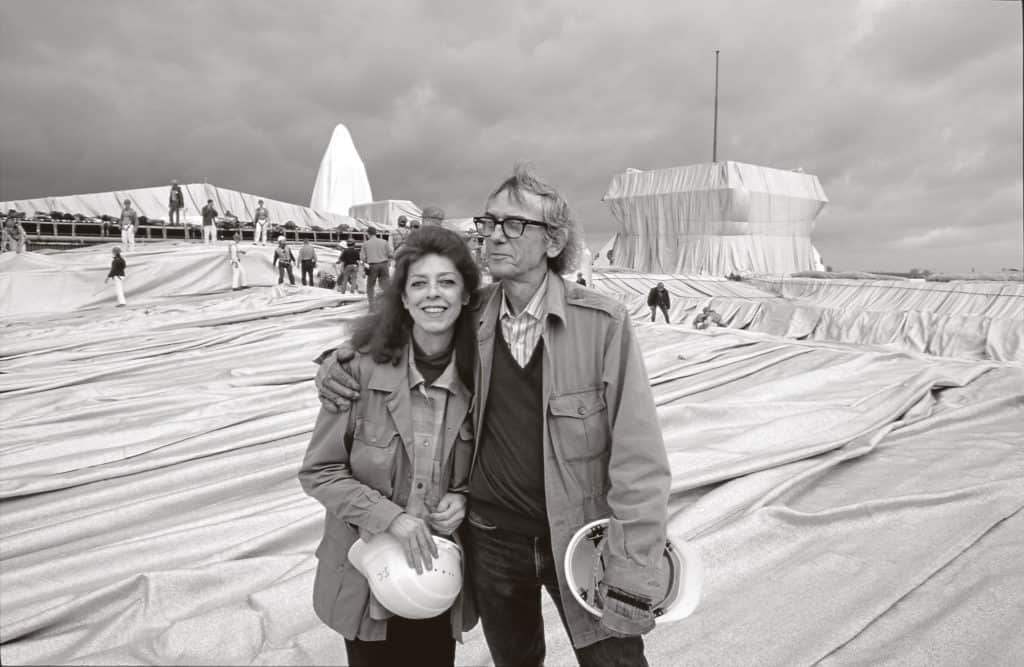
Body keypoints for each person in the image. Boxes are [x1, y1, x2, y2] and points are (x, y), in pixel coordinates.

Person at [315, 165, 671, 667]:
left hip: (580, 537)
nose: (495, 235)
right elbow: (399, 333)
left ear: (553, 241)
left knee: (614, 660)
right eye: (490, 221)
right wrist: (335, 363)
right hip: (493, 539)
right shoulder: (469, 314)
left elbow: (640, 457)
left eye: (514, 224)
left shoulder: (602, 326)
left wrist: (635, 571)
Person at [299, 226, 482, 667]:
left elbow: (499, 465)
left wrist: (465, 497)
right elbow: (319, 472)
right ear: (402, 298)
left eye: (447, 282)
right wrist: (391, 518)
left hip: (439, 576)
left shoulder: (485, 380)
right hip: (369, 579)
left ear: (466, 296)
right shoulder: (357, 372)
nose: (432, 295)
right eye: (419, 283)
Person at [360, 226, 392, 307]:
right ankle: (389, 304)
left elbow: (363, 258)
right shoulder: (384, 242)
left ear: (368, 234)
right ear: (375, 233)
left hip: (373, 266)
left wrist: (363, 270)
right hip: (384, 265)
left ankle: (372, 306)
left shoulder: (365, 244)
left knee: (370, 286)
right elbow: (390, 254)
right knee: (385, 285)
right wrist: (388, 263)